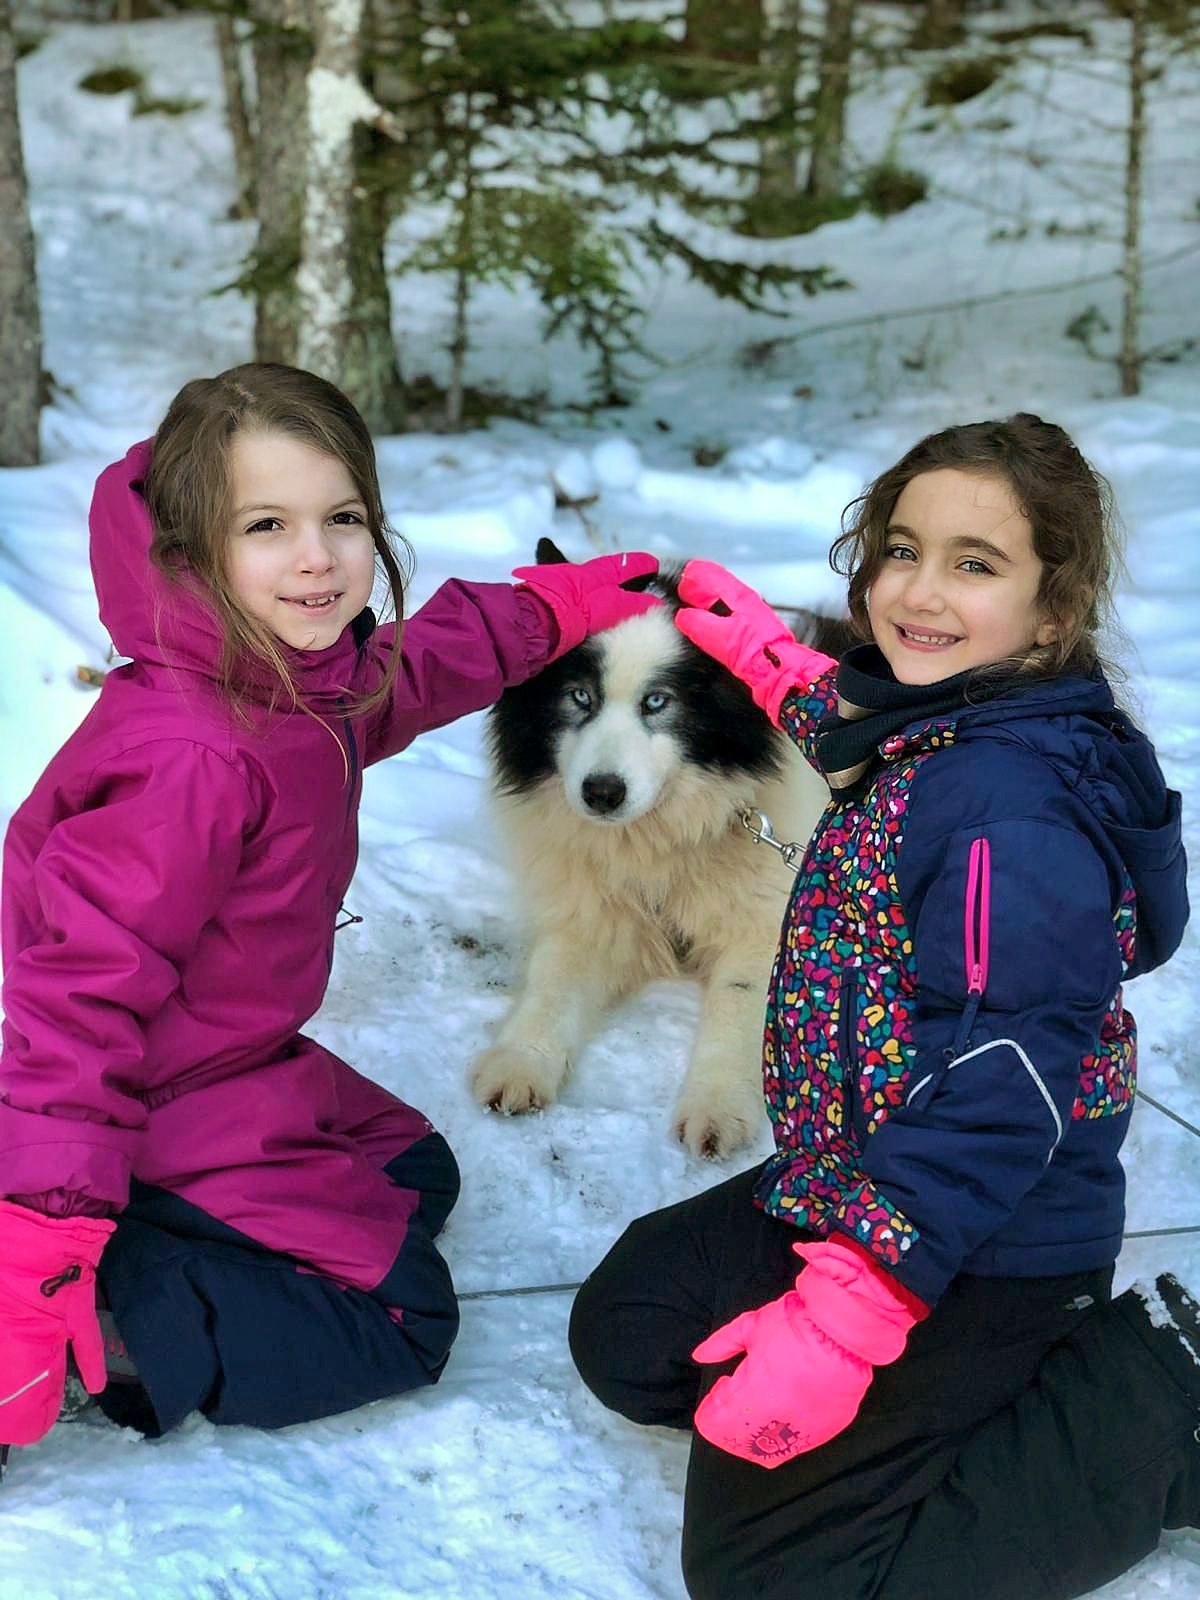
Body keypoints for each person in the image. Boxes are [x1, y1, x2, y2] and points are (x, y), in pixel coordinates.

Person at [569, 413, 1192, 1600]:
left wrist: (840, 1319)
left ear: (1053, 611)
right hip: (856, 1172)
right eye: (903, 549)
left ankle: (1156, 1401)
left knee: (769, 1576)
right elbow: (868, 728)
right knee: (631, 1331)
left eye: (975, 563)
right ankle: (894, 1410)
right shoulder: (955, 722)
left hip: (983, 1238)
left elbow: (995, 1102)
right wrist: (759, 654)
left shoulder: (1014, 819)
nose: (919, 589)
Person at [0, 362, 659, 1458]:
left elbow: (404, 678)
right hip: (150, 1084)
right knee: (402, 1316)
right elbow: (77, 1002)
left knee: (415, 1171)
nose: (317, 556)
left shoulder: (286, 676)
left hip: (230, 1054)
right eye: (267, 525)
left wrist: (546, 613)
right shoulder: (193, 755)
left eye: (342, 518)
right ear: (189, 549)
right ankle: (97, 1324)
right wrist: (41, 1245)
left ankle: (135, 1227)